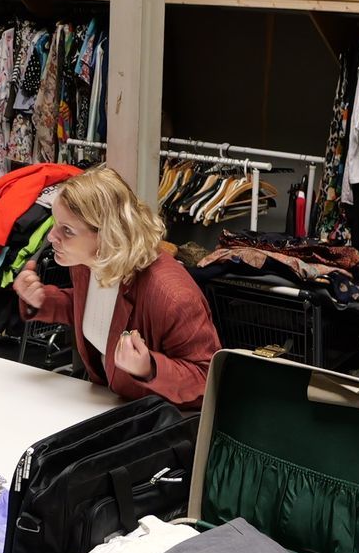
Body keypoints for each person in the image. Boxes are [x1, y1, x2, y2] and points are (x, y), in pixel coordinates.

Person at [14, 166, 222, 409]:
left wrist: (150, 368)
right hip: (111, 403)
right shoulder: (86, 264)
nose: (51, 237)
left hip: (159, 419)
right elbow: (96, 311)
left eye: (67, 230)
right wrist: (42, 299)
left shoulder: (174, 296)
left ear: (106, 236)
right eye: (56, 223)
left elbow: (207, 379)